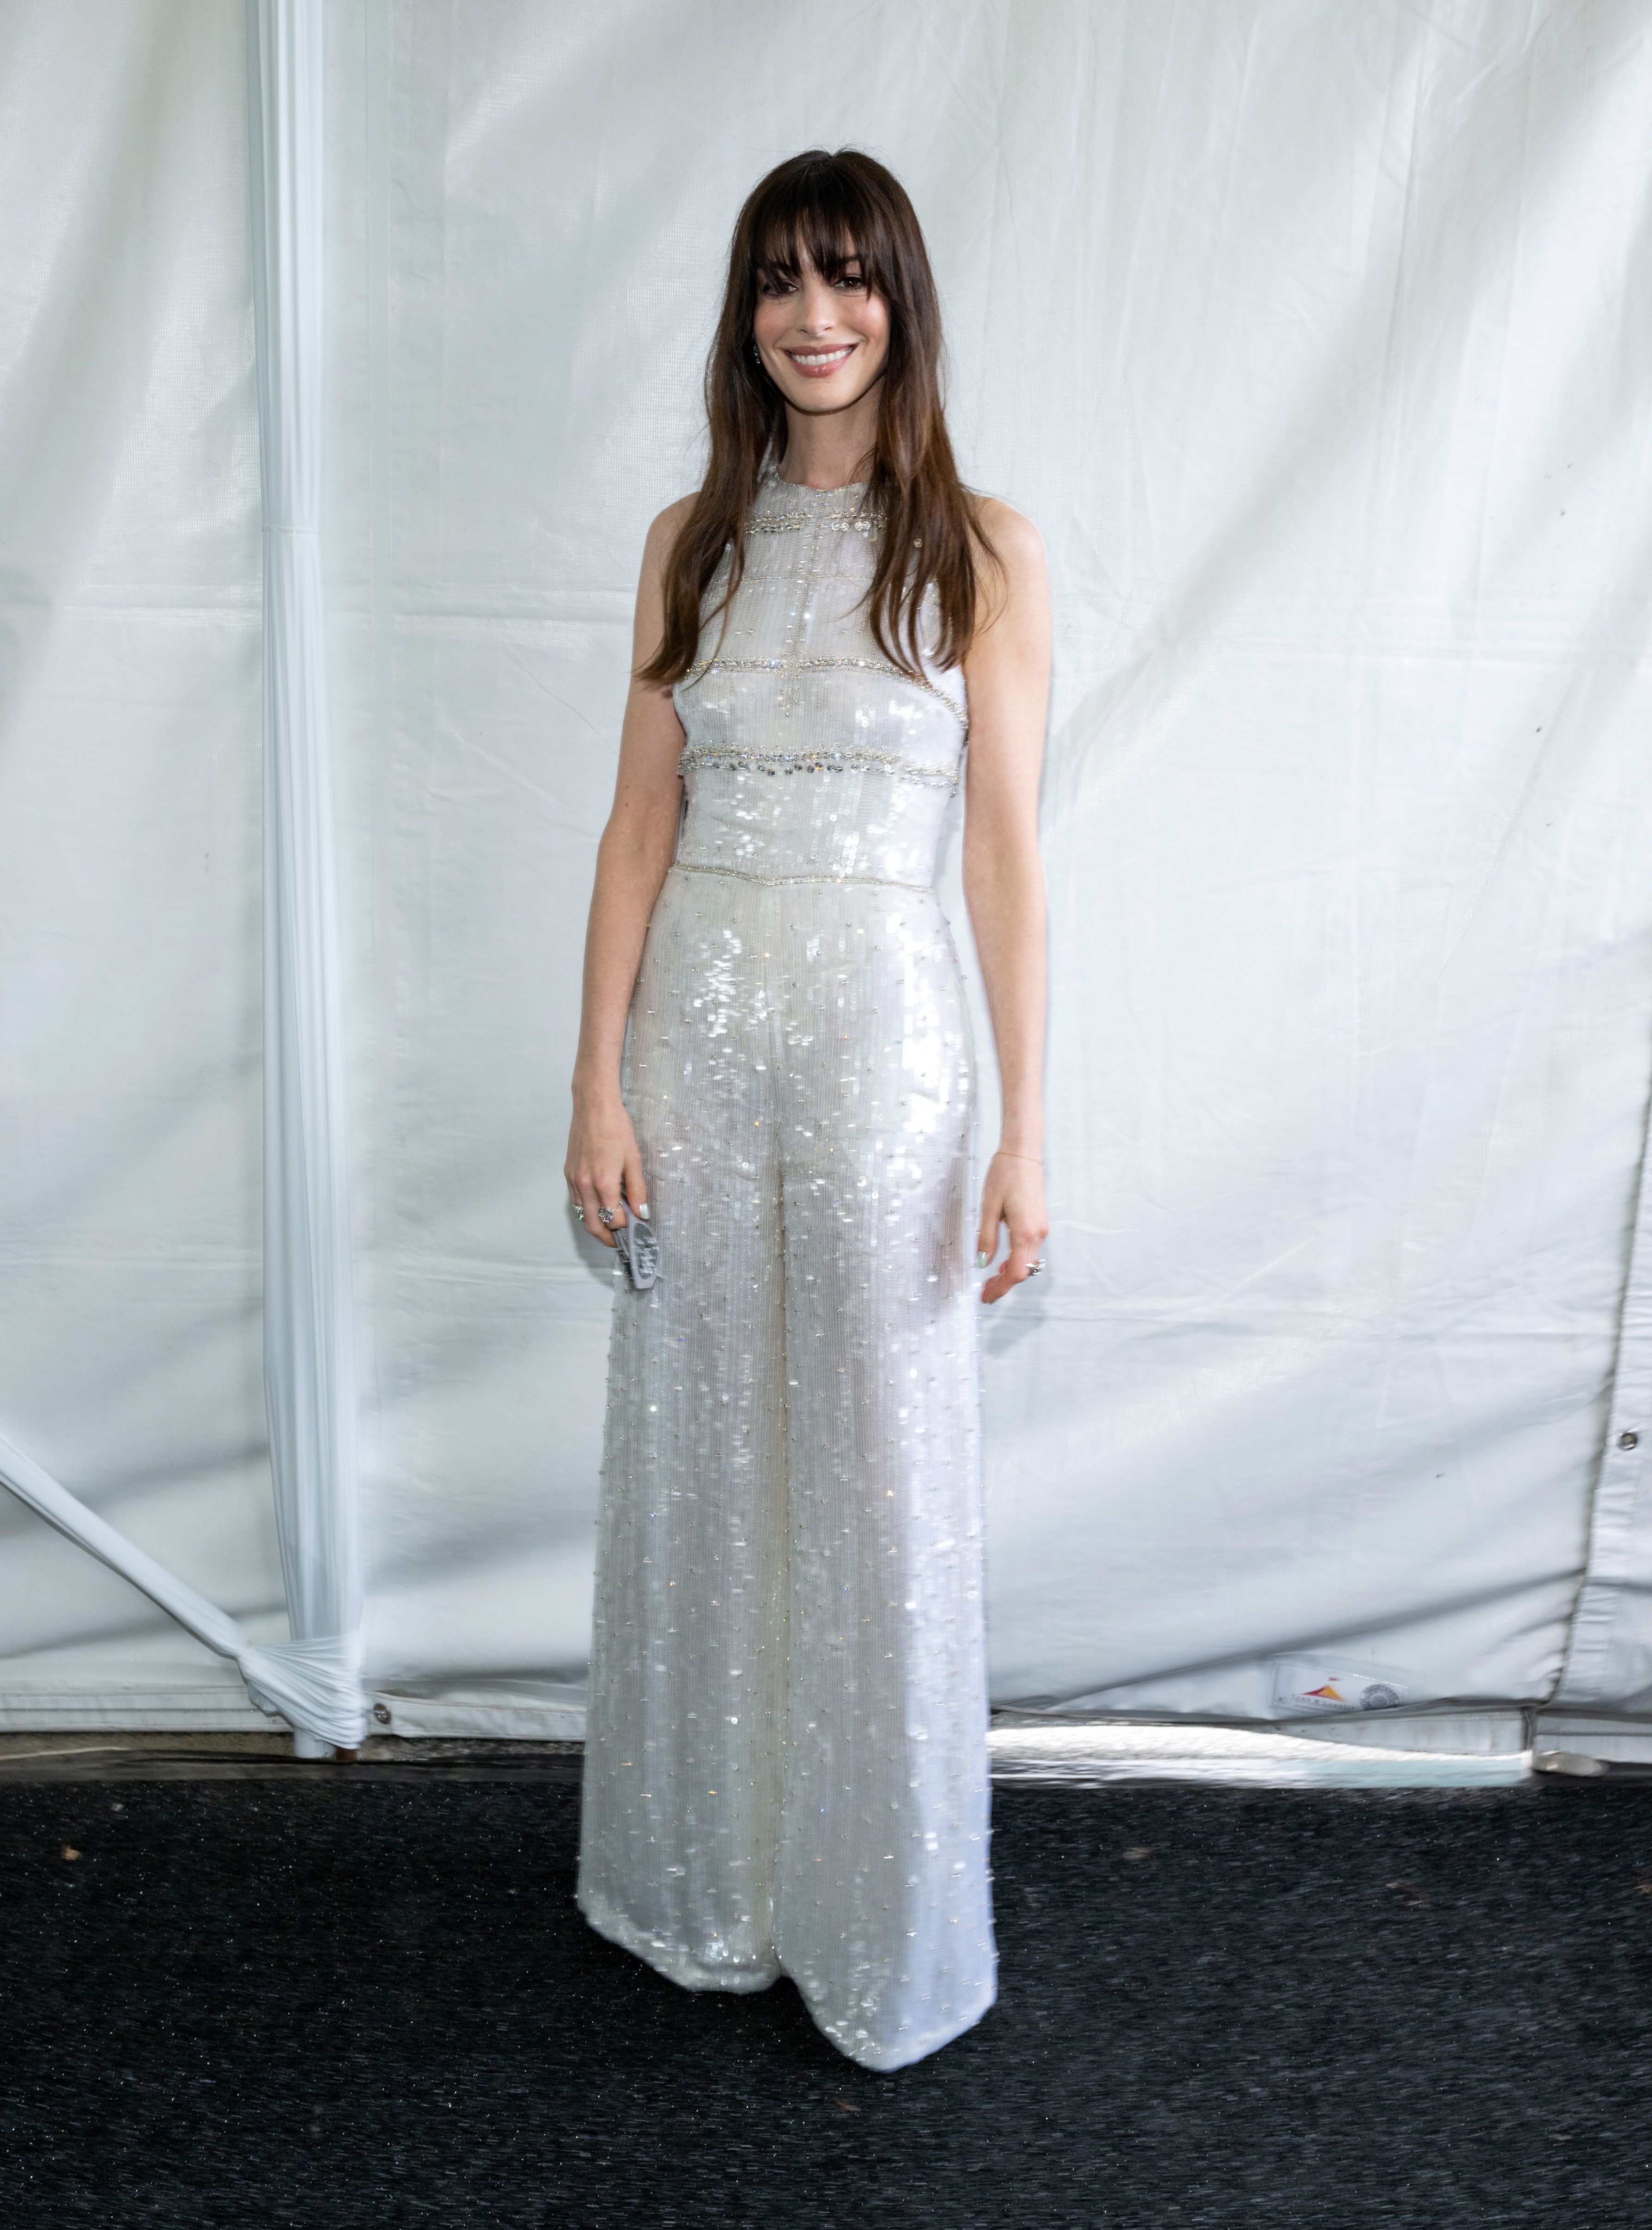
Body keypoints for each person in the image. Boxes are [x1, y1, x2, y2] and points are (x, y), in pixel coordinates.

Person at [565, 147, 1050, 2072]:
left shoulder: (982, 548)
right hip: (695, 1040)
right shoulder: (692, 536)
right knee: (700, 1456)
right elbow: (634, 826)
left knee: (876, 1472)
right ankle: (706, 1879)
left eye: (849, 278)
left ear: (900, 304)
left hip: (886, 1058)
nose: (814, 315)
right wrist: (593, 1077)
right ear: (745, 314)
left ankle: (877, 1902)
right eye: (781, 279)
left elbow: (1006, 856)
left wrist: (1029, 1124)